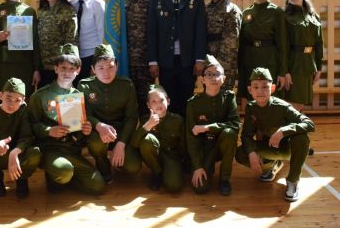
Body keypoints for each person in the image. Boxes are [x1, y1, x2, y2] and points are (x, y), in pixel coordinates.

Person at [28, 44, 105, 195]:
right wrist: (49, 130)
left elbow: (79, 129)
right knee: (62, 173)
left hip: (71, 149)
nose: (67, 72)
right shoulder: (40, 96)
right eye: (63, 68)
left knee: (98, 186)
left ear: (78, 71)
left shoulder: (78, 96)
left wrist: (86, 130)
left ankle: (65, 177)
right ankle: (57, 174)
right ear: (55, 68)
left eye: (72, 68)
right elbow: (31, 125)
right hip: (50, 149)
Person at [235, 67, 315, 202]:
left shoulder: (282, 106)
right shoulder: (251, 107)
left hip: (289, 148)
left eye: (265, 87)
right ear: (250, 90)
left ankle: (293, 181)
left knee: (302, 138)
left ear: (272, 88)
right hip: (271, 146)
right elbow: (246, 135)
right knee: (241, 153)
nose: (260, 91)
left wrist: (283, 131)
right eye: (256, 87)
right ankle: (271, 165)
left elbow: (309, 124)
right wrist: (252, 153)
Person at [147, 0, 207, 115]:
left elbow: (200, 31)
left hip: (188, 61)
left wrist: (199, 59)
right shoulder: (156, 0)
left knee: (187, 98)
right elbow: (152, 32)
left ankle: (185, 129)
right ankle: (170, 128)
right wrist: (153, 61)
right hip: (165, 61)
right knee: (168, 99)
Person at [78, 44, 141, 184]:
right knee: (95, 143)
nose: (106, 73)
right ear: (93, 69)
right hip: (97, 133)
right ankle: (103, 165)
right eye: (101, 68)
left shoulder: (126, 85)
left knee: (133, 167)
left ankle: (117, 161)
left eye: (110, 67)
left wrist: (121, 144)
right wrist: (99, 125)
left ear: (117, 66)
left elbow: (131, 117)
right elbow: (85, 114)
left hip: (121, 132)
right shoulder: (85, 85)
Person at [185, 55, 240, 196]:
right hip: (204, 149)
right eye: (209, 74)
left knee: (230, 133)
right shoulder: (193, 103)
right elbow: (190, 137)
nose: (213, 78)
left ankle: (224, 179)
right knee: (200, 188)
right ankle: (200, 167)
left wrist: (208, 127)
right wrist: (197, 166)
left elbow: (235, 125)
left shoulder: (229, 98)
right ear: (202, 79)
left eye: (217, 74)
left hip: (222, 146)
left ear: (224, 79)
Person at [238, 0, 288, 110]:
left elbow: (283, 44)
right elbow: (242, 44)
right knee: (251, 99)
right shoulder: (246, 13)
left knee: (269, 99)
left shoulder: (277, 12)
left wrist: (282, 72)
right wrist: (241, 69)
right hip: (250, 61)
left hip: (269, 61)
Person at [0, 0, 40, 98]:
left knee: (24, 99)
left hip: (25, 64)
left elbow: (35, 41)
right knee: (6, 100)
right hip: (4, 64)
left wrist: (36, 68)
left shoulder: (29, 11)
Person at [131, 85, 184, 192]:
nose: (158, 104)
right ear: (148, 105)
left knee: (174, 186)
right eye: (154, 101)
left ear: (168, 101)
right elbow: (134, 143)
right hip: (154, 158)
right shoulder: (145, 120)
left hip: (171, 157)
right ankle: (156, 172)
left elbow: (183, 144)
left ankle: (170, 171)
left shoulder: (177, 120)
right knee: (147, 141)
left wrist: (181, 163)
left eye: (161, 100)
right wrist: (147, 126)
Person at [283, 0, 324, 111]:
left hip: (309, 64)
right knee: (295, 101)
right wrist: (285, 71)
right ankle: (290, 124)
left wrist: (319, 67)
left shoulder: (313, 16)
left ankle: (292, 124)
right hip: (294, 64)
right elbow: (282, 45)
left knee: (301, 101)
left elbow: (319, 43)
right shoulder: (284, 17)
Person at [124, 0, 157, 115]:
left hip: (145, 59)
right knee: (126, 101)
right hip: (125, 58)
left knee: (146, 102)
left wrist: (154, 60)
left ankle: (146, 130)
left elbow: (158, 30)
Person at [67, 0, 105, 84]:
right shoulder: (68, 5)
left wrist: (98, 63)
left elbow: (102, 36)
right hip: (72, 57)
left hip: (91, 56)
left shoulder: (99, 5)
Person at [36, 0, 77, 86]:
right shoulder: (41, 11)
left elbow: (71, 39)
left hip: (60, 67)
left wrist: (66, 66)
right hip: (43, 67)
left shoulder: (68, 11)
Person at [205, 0, 242, 92]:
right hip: (208, 62)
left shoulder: (231, 10)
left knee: (223, 96)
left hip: (224, 65)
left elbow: (231, 42)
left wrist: (218, 67)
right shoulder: (206, 9)